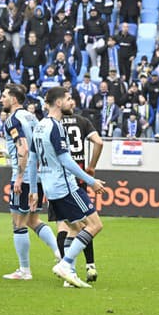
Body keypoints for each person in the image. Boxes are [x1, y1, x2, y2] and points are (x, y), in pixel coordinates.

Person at [28, 87, 106, 288]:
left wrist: (34, 191)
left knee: (73, 227)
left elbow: (32, 160)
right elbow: (66, 161)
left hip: (50, 188)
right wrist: (91, 181)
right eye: (69, 99)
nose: (72, 102)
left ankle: (69, 275)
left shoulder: (39, 126)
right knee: (95, 225)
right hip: (66, 186)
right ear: (59, 102)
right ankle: (66, 264)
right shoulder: (55, 126)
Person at [1, 83, 61, 280]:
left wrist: (19, 177)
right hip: (39, 175)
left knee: (18, 223)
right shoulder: (31, 116)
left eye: (4, 96)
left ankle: (24, 270)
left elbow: (23, 148)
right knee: (33, 220)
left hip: (25, 177)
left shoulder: (12, 120)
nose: (1, 99)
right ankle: (59, 253)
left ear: (14, 99)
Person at [51, 93, 104, 284]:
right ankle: (84, 265)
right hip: (76, 179)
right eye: (68, 99)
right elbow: (98, 142)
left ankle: (68, 271)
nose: (70, 102)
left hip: (56, 180)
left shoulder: (52, 125)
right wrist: (91, 167)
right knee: (87, 224)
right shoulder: (82, 122)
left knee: (66, 226)